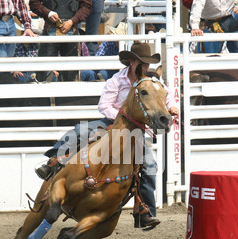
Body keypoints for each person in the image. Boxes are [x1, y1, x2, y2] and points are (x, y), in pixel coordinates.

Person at [35, 42, 179, 228]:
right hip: (109, 123)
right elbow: (104, 106)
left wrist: (172, 108)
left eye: (147, 63)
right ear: (131, 62)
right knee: (79, 131)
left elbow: (167, 98)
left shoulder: (154, 83)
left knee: (149, 166)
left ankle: (144, 211)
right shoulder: (117, 80)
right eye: (142, 63)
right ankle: (53, 162)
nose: (145, 67)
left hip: (135, 130)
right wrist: (121, 118)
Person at [30, 0, 92, 82]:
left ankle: (68, 94)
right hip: (52, 28)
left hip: (69, 29)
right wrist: (48, 13)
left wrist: (72, 21)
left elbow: (87, 6)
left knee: (71, 72)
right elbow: (34, 3)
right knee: (44, 70)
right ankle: (45, 93)